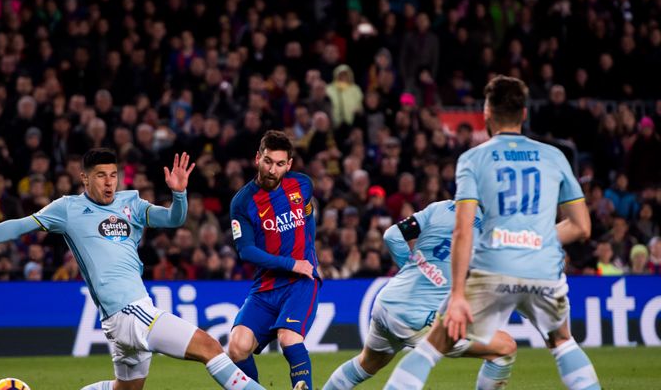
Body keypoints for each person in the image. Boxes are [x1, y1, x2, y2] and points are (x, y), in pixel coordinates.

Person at [0, 148, 263, 390]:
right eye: (101, 176)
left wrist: (179, 195)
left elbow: (174, 219)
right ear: (85, 178)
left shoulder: (130, 201)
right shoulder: (68, 209)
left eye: (113, 175)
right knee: (209, 347)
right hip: (128, 312)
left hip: (124, 318)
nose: (108, 183)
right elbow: (18, 227)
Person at [384, 76, 600, 389]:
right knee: (562, 341)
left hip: (493, 266)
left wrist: (457, 293)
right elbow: (582, 227)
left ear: (486, 114)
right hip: (542, 266)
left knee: (431, 347)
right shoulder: (555, 156)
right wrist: (532, 239)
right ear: (524, 114)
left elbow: (463, 230)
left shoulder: (473, 158)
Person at [323, 200, 517, 389]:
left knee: (367, 363)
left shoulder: (441, 207)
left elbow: (392, 235)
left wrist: (412, 266)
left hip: (387, 302)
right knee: (504, 348)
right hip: (418, 317)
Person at [228, 130, 320, 390]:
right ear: (257, 158)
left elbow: (308, 216)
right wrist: (291, 263)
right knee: (237, 346)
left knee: (289, 339)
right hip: (267, 286)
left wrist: (309, 253)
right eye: (268, 161)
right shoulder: (243, 202)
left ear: (288, 165)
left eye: (280, 164)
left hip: (301, 282)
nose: (272, 170)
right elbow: (246, 251)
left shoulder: (302, 185)